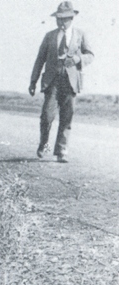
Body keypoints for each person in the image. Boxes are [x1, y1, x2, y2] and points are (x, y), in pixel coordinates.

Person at [29, 1, 94, 163]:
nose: (61, 22)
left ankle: (61, 151)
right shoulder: (49, 36)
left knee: (67, 117)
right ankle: (44, 144)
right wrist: (33, 81)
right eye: (58, 19)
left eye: (64, 19)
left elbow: (90, 55)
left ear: (71, 18)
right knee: (47, 116)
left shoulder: (80, 35)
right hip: (52, 82)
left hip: (71, 82)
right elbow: (40, 59)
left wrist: (78, 58)